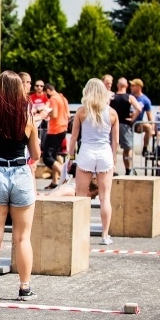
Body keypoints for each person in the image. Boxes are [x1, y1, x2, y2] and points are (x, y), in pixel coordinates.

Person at [0, 71, 41, 301]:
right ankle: (24, 288)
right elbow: (36, 154)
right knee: (22, 238)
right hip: (21, 173)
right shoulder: (27, 117)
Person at [68, 78, 119, 245]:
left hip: (86, 152)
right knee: (105, 197)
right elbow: (115, 141)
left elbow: (73, 138)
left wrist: (71, 158)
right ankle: (105, 235)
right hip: (104, 153)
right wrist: (114, 159)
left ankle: (81, 233)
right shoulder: (112, 113)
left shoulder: (82, 111)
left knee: (81, 196)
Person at [109, 78, 143, 175]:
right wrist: (132, 119)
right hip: (125, 124)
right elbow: (139, 109)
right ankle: (128, 169)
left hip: (113, 125)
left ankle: (113, 169)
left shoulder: (112, 97)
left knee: (113, 148)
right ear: (127, 86)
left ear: (117, 85)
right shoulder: (129, 97)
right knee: (127, 149)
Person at [41, 83, 69, 189]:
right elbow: (68, 114)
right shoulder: (62, 97)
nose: (46, 96)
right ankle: (54, 181)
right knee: (53, 156)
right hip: (63, 128)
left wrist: (45, 113)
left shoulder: (53, 99)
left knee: (47, 157)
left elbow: (54, 114)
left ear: (48, 90)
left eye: (45, 93)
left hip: (55, 130)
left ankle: (64, 175)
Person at [129, 79, 154, 156]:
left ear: (138, 87)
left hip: (137, 123)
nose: (130, 87)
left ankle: (145, 149)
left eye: (133, 86)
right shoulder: (129, 97)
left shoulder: (145, 100)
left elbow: (149, 116)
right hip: (127, 121)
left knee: (148, 127)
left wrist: (152, 128)